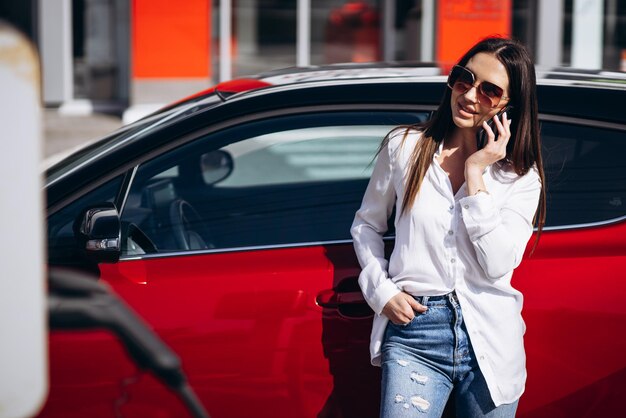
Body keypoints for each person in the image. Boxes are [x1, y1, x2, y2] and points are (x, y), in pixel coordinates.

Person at [350, 36, 546, 417]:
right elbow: (366, 226)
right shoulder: (405, 147)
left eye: (489, 91)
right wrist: (380, 290)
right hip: (415, 333)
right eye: (464, 79)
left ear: (510, 105)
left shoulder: (521, 178)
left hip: (489, 338)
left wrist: (476, 171)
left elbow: (497, 264)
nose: (470, 95)